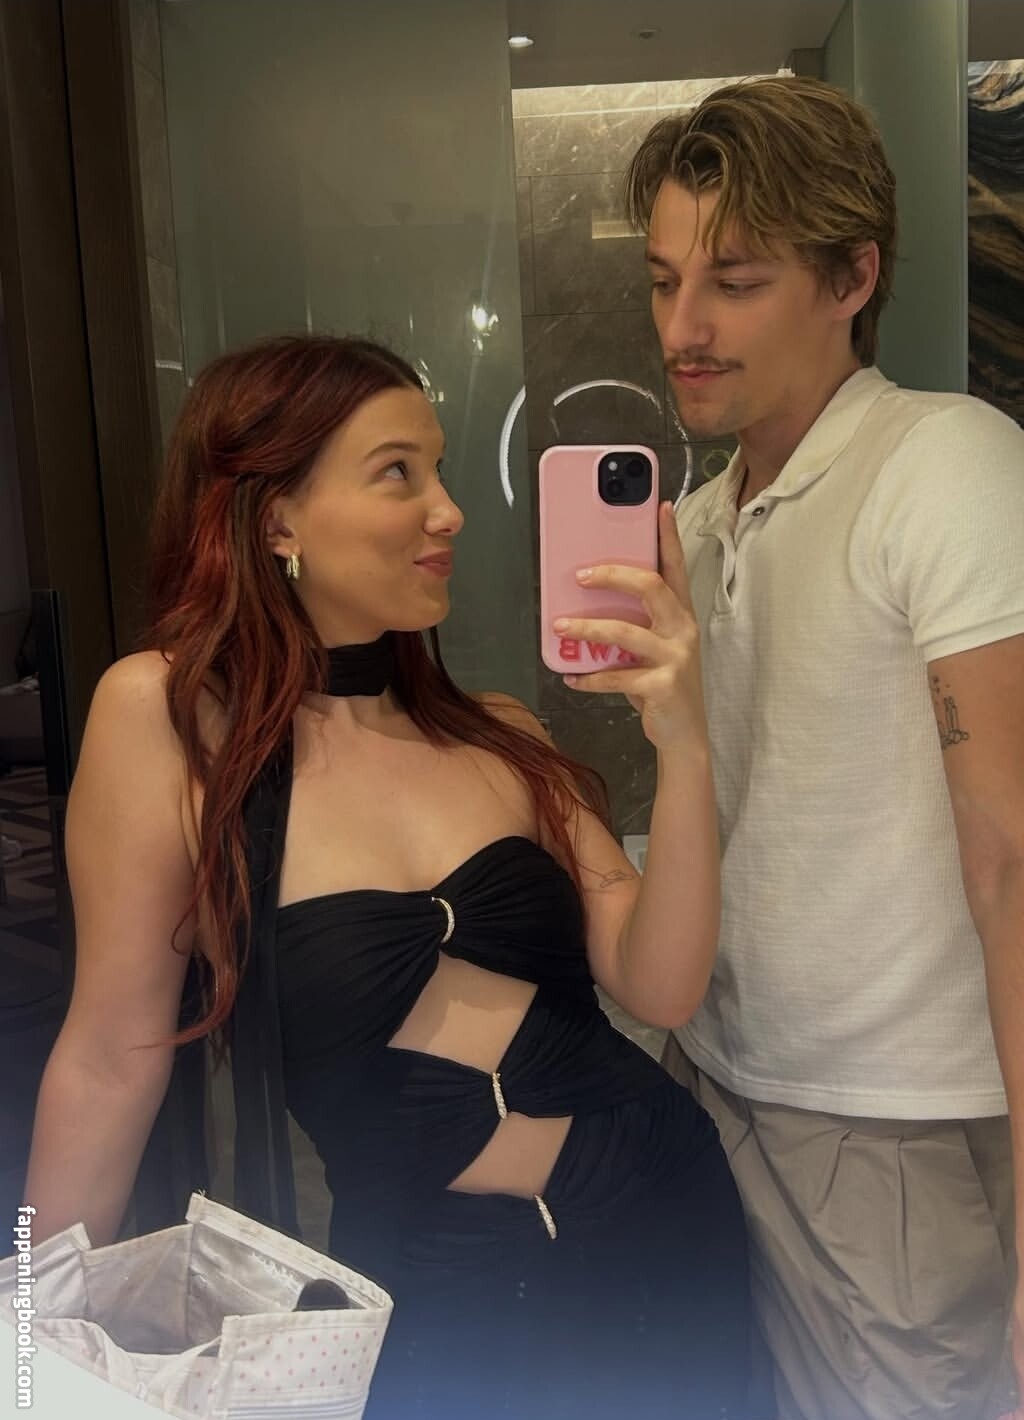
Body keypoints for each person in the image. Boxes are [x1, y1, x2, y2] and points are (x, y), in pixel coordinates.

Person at [21, 334, 751, 1418]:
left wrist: (683, 742)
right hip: (434, 1293)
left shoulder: (498, 735)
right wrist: (23, 1331)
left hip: (663, 1220)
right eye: (398, 472)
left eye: (440, 469)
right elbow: (107, 1059)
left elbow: (662, 986)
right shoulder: (169, 718)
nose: (447, 511)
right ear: (276, 519)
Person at [624, 74, 1024, 1420]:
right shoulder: (699, 523)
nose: (683, 331)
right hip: (718, 1082)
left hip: (894, 1126)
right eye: (662, 283)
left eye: (734, 283)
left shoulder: (946, 467)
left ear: (851, 277)